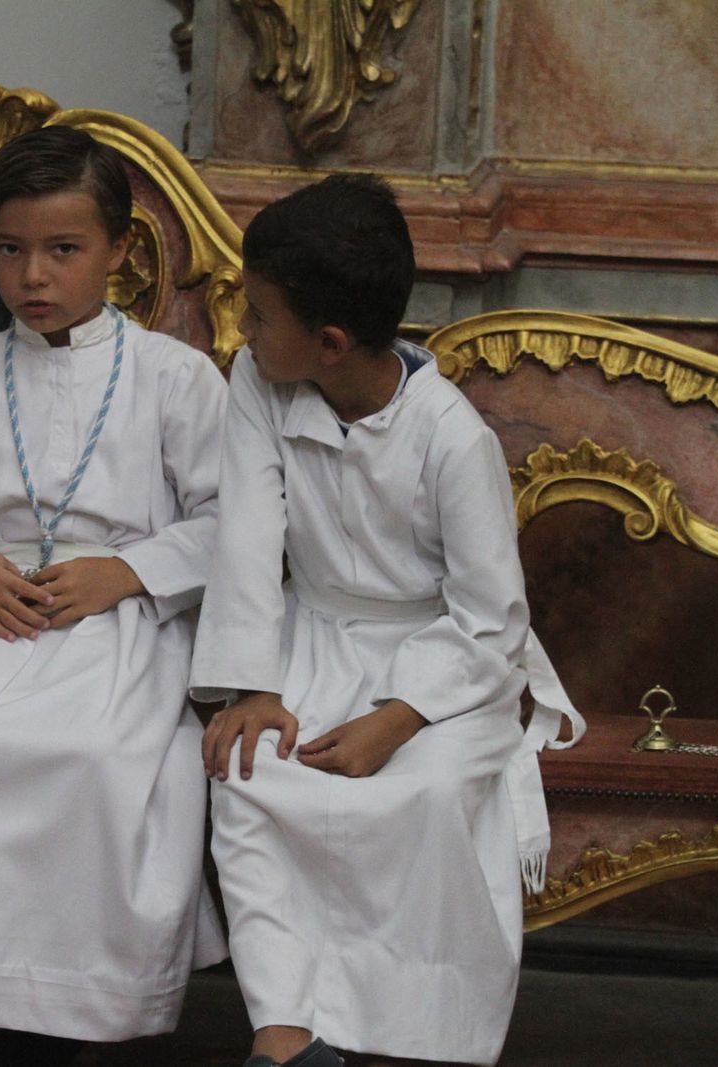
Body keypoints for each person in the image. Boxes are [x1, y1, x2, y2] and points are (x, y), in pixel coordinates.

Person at [0, 126, 229, 1067]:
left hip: (120, 617)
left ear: (119, 251)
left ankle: (55, 1025)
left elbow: (233, 523)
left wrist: (130, 571)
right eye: (10, 249)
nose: (34, 275)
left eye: (64, 250)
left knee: (102, 756)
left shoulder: (176, 378)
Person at [190, 174, 583, 1067]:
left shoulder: (453, 439)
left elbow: (492, 619)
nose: (244, 333)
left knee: (428, 792)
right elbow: (247, 533)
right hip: (309, 642)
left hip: (443, 662)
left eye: (257, 315)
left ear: (327, 342)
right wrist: (255, 685)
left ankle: (418, 1037)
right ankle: (286, 1033)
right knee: (248, 775)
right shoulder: (260, 381)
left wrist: (396, 719)